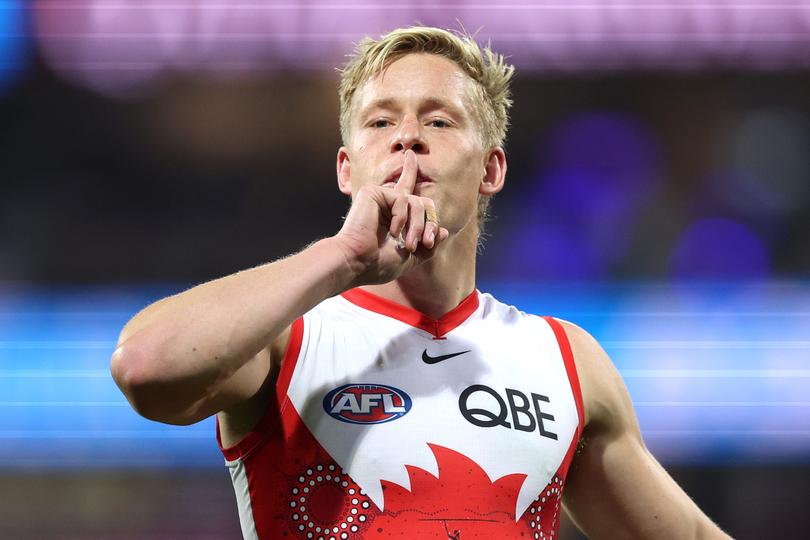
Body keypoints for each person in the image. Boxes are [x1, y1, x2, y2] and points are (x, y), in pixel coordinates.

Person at [111, 26, 730, 540]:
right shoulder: (287, 335)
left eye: (438, 121)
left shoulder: (567, 362)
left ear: (490, 169)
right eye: (381, 123)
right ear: (347, 170)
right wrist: (343, 256)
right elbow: (144, 368)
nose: (407, 136)